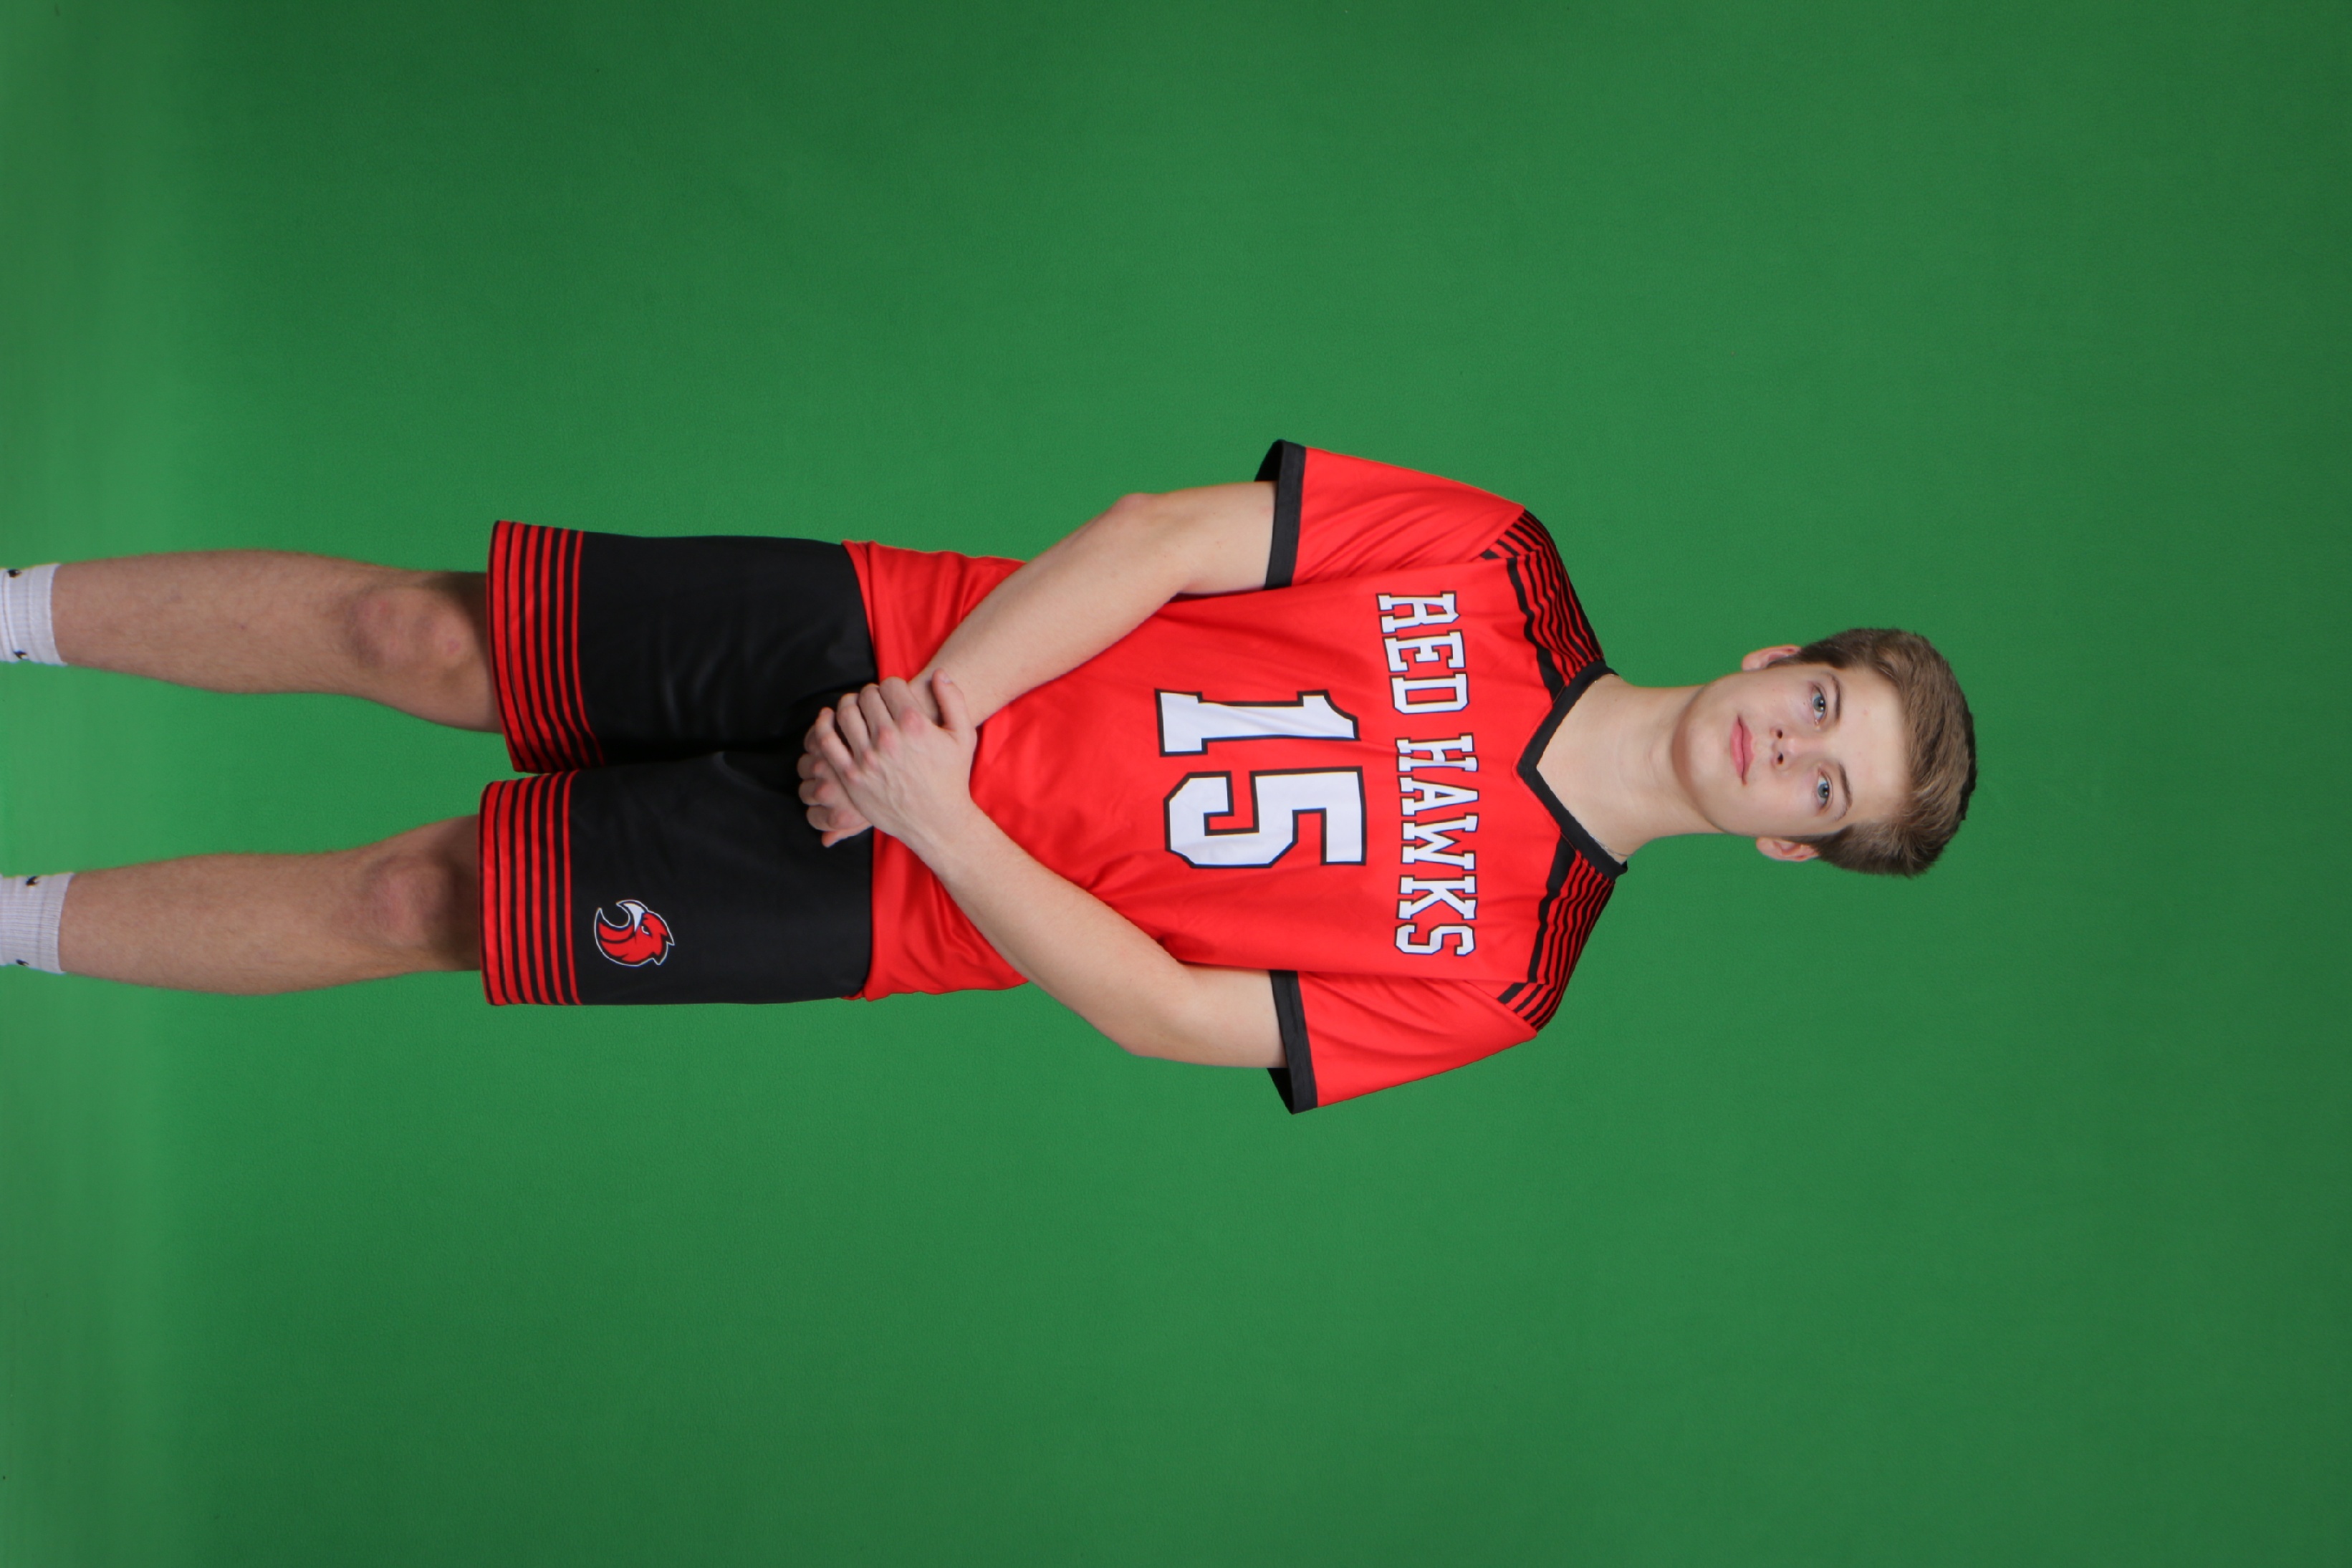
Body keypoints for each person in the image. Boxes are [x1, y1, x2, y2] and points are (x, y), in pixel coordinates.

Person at [0, 443, 1976, 1110]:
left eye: (1826, 791)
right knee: (415, 634)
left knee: (417, 899)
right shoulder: (1493, 560)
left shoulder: (1504, 976)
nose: (1789, 751)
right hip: (891, 636)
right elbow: (1158, 541)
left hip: (881, 890)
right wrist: (929, 717)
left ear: (1795, 854)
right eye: (1818, 707)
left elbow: (1168, 1010)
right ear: (1772, 659)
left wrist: (934, 819)